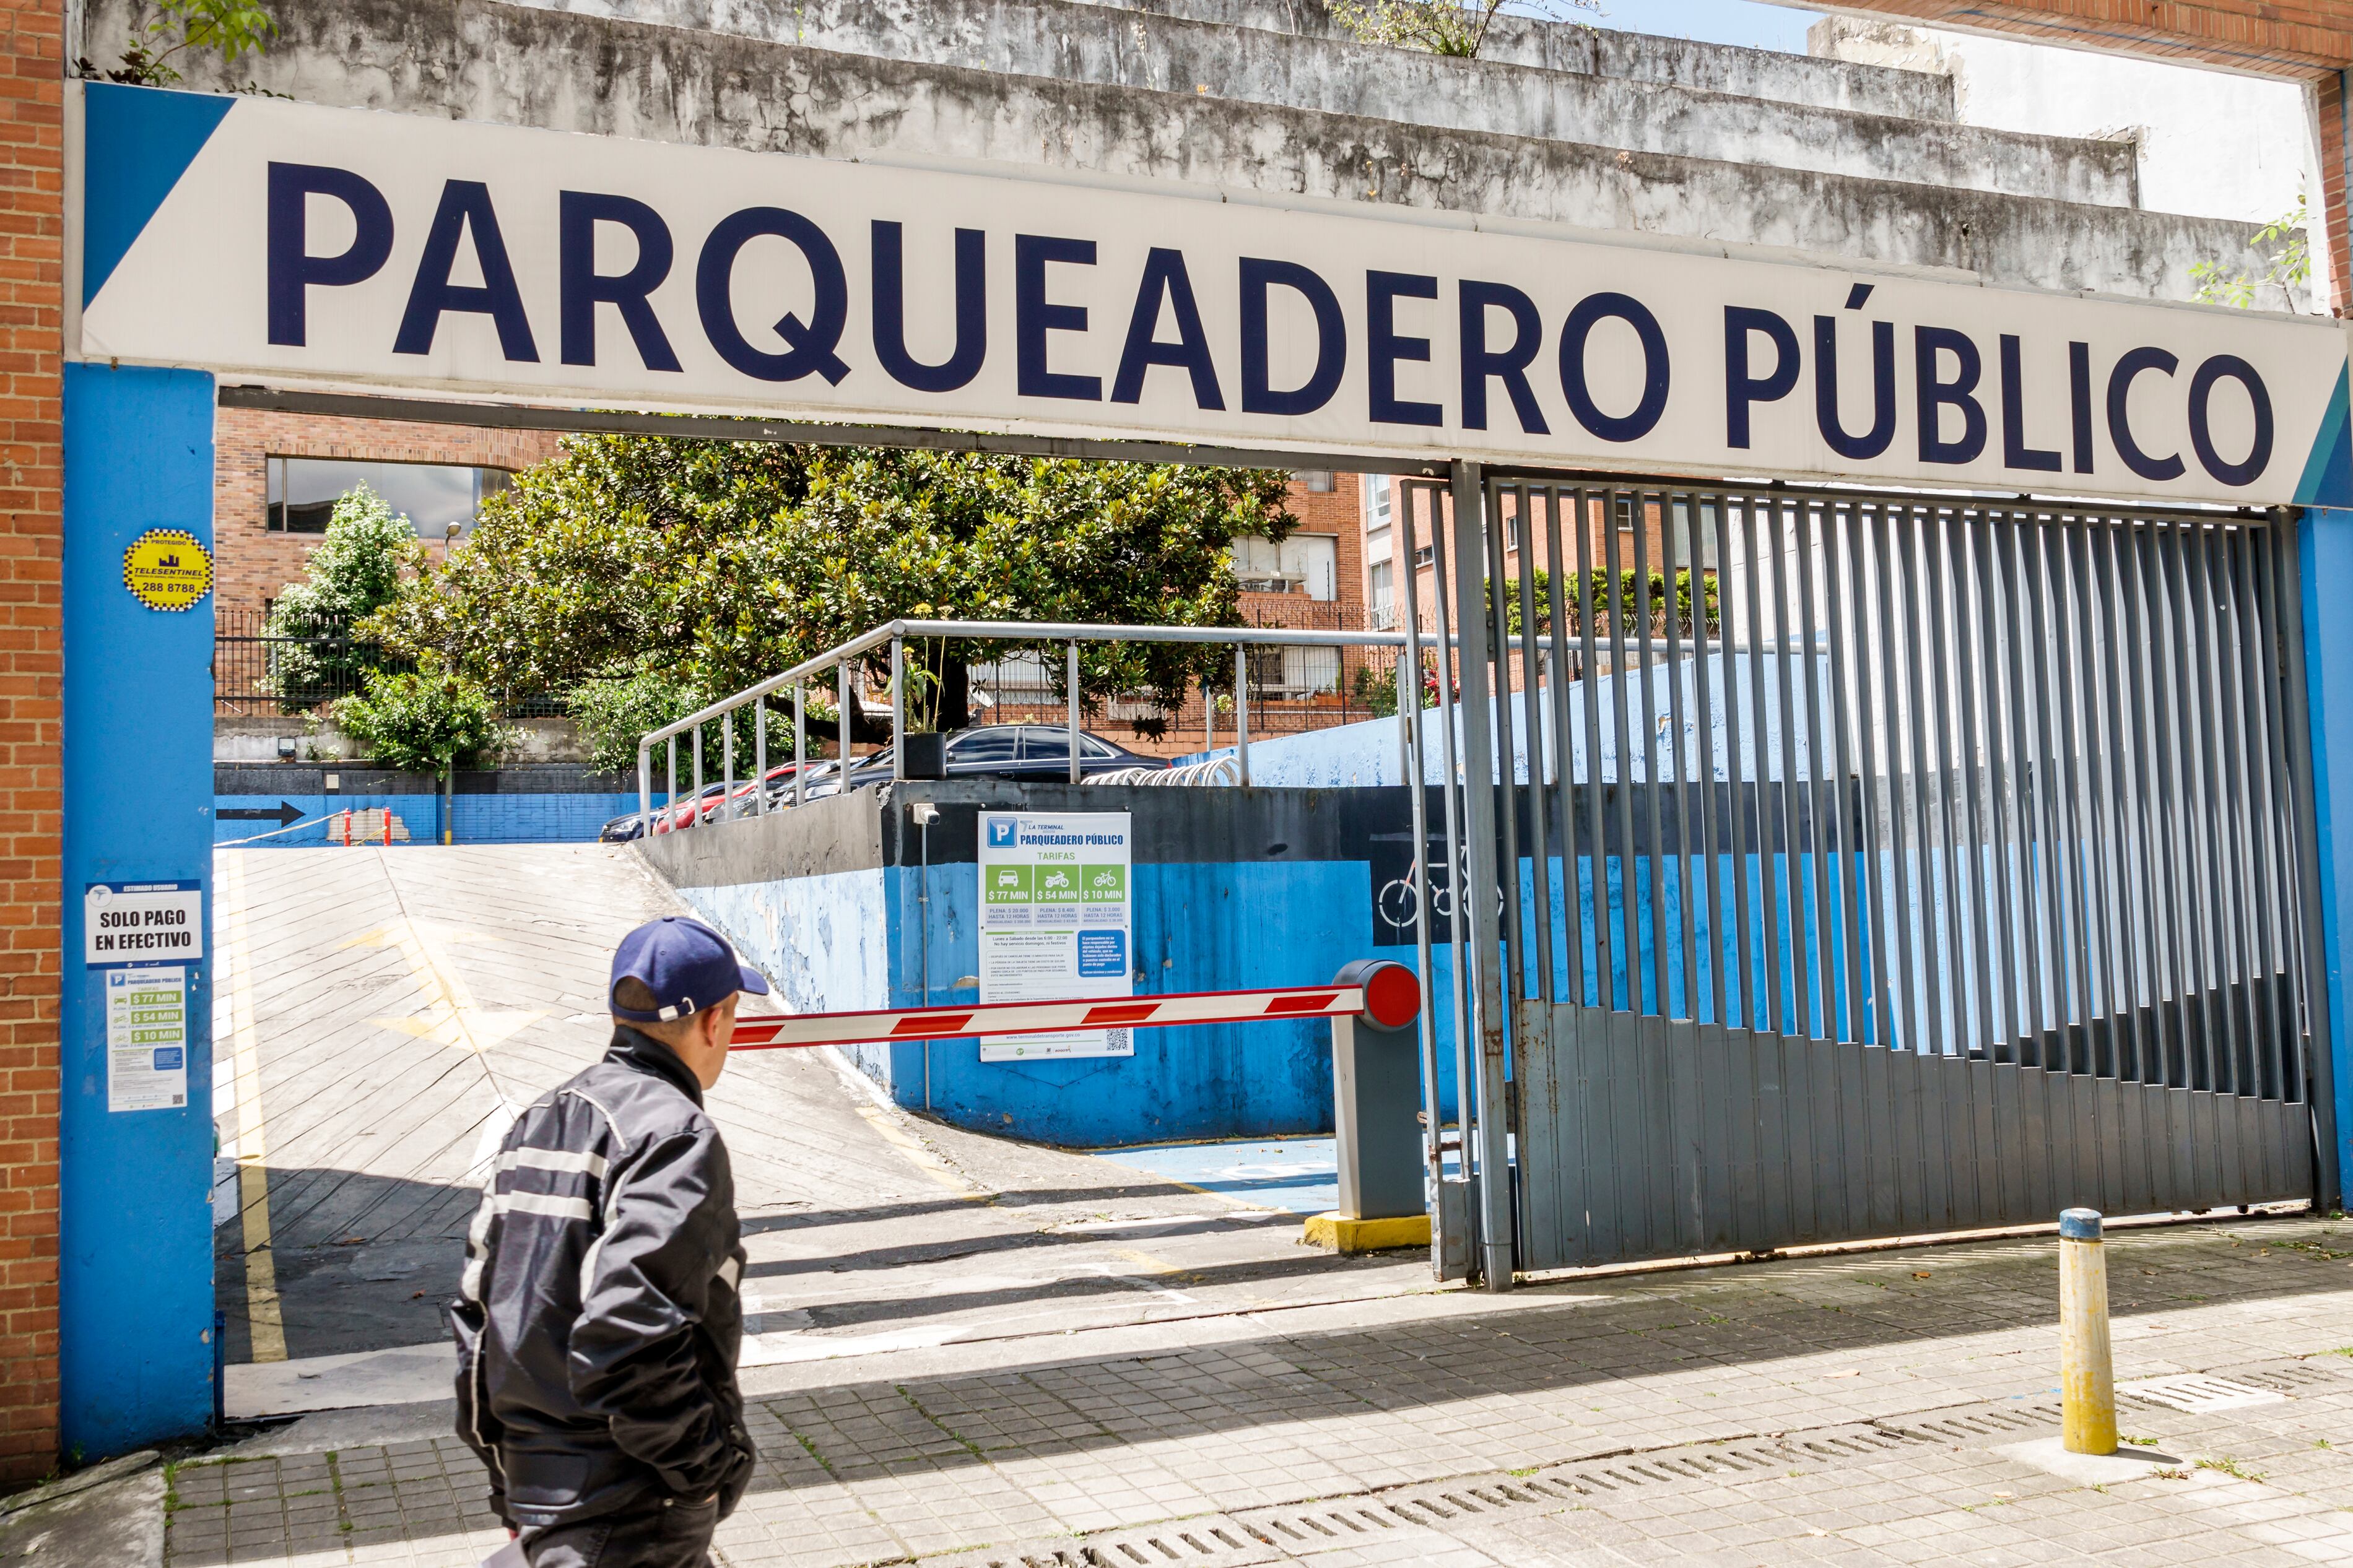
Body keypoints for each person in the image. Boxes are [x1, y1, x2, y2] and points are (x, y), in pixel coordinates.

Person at [450, 916, 769, 1567]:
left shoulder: (540, 1120)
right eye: (734, 1014)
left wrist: (512, 1481)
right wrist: (708, 1469)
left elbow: (477, 1319)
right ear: (714, 1021)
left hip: (543, 1491)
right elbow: (628, 1341)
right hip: (629, 1504)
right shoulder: (676, 1138)